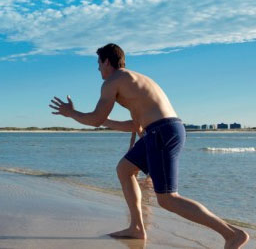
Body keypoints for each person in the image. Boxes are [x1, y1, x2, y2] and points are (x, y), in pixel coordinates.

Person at [48, 43, 249, 248]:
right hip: (163, 129)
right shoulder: (134, 80)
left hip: (162, 131)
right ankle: (136, 227)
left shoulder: (112, 81)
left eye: (98, 63)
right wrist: (106, 122)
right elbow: (134, 125)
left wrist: (71, 113)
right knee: (125, 169)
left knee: (168, 198)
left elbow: (95, 119)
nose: (98, 68)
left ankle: (232, 233)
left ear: (107, 61)